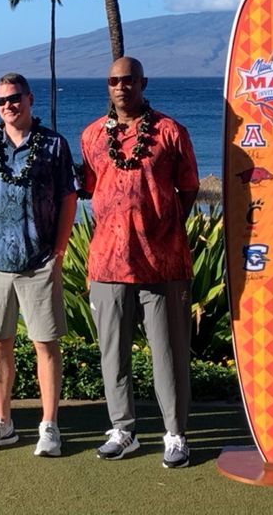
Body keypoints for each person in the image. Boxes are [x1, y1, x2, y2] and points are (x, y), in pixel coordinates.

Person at [80, 57, 198, 467]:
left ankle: (175, 434)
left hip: (162, 263)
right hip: (108, 263)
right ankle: (123, 430)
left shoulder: (170, 132)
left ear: (143, 83)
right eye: (113, 80)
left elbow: (188, 189)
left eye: (128, 80)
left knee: (168, 352)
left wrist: (159, 225)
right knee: (113, 353)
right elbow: (94, 188)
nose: (121, 86)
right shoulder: (93, 135)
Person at [0, 73, 76, 456]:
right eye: (1, 101)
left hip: (38, 259)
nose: (8, 106)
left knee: (44, 343)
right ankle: (3, 422)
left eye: (14, 98)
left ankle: (49, 425)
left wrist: (59, 252)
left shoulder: (53, 145)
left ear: (29, 99)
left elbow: (68, 199)